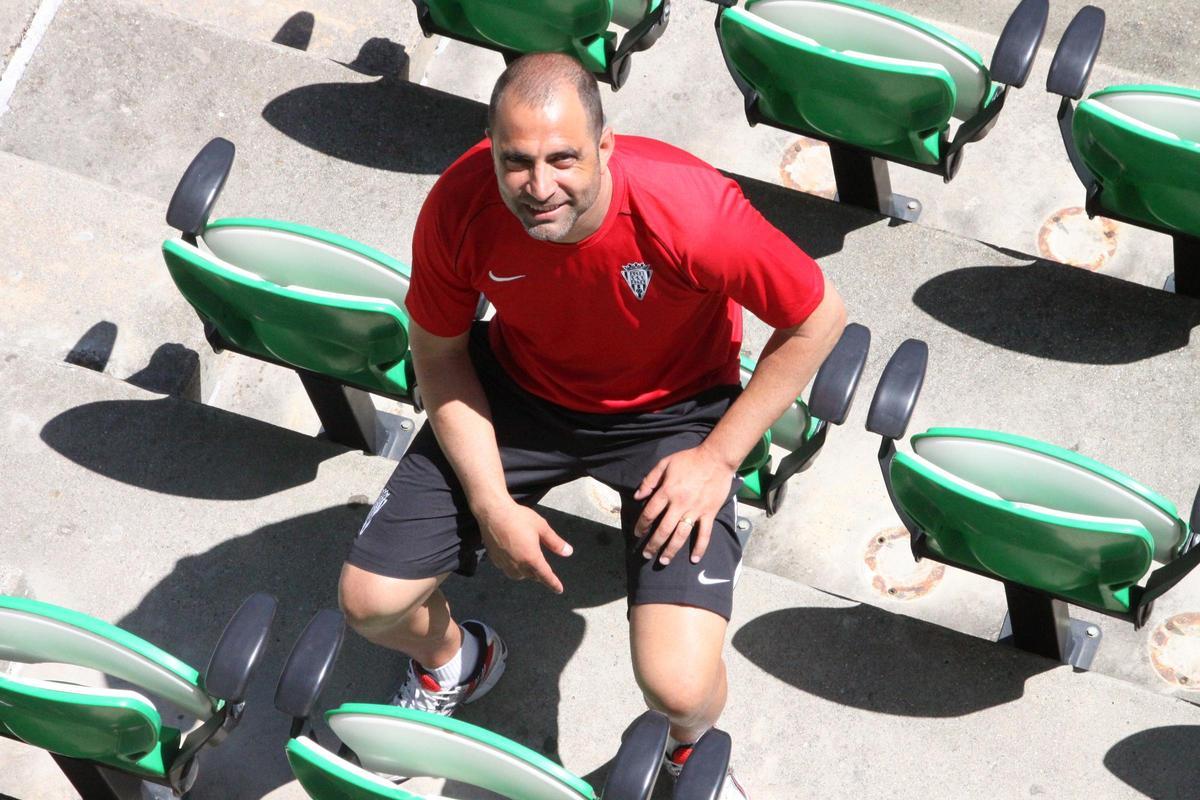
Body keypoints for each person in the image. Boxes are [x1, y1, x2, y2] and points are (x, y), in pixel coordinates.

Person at [338, 52, 845, 796]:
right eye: (516, 162)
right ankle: (456, 662)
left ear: (605, 145)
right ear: (491, 150)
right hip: (521, 392)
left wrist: (717, 460)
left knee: (678, 685)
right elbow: (440, 354)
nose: (540, 187)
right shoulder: (460, 205)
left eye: (563, 159)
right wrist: (491, 503)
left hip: (672, 412)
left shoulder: (690, 212)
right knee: (369, 603)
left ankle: (690, 752)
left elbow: (818, 318)